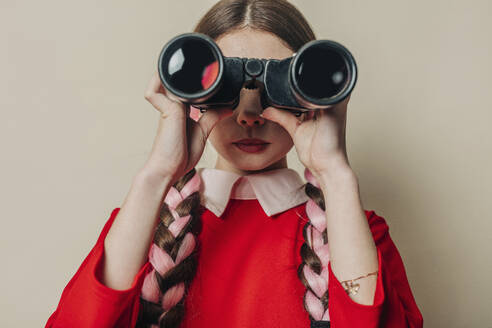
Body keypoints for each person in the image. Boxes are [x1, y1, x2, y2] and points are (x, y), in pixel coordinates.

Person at [45, 0, 424, 327]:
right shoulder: (142, 226)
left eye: (275, 90)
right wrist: (158, 173)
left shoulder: (359, 231)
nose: (249, 114)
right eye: (225, 87)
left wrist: (336, 175)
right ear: (191, 93)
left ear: (310, 95)